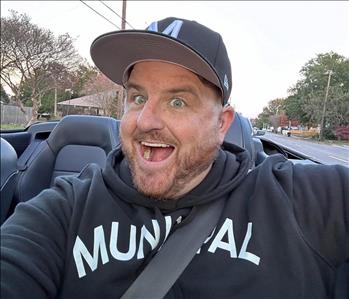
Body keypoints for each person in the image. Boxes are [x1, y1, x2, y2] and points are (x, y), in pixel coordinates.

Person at [1, 17, 348, 299]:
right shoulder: (65, 210)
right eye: (137, 98)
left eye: (178, 101)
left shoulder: (300, 201)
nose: (146, 120)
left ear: (222, 123)